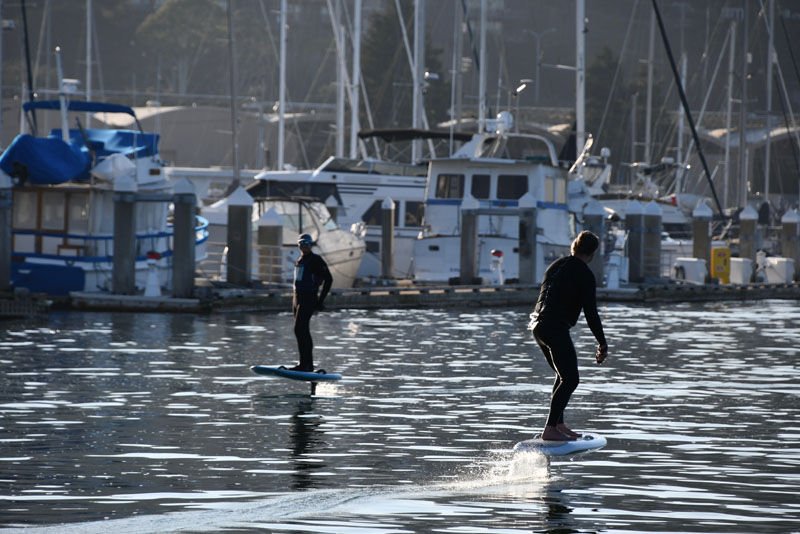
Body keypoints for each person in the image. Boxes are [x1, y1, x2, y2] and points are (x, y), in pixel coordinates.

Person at [529, 230, 608, 441]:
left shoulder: (555, 265)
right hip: (554, 327)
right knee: (571, 379)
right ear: (592, 253)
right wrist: (602, 344)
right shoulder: (584, 274)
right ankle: (550, 428)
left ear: (575, 246)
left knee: (562, 376)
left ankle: (559, 424)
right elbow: (591, 313)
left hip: (537, 326)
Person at [288, 233, 333, 372]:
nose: (304, 246)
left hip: (309, 297)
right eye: (301, 244)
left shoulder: (316, 260)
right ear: (298, 246)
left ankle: (306, 365)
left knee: (301, 329)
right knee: (299, 330)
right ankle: (306, 365)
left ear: (311, 245)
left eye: (306, 244)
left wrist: (320, 301)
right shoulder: (300, 259)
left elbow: (329, 279)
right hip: (297, 298)